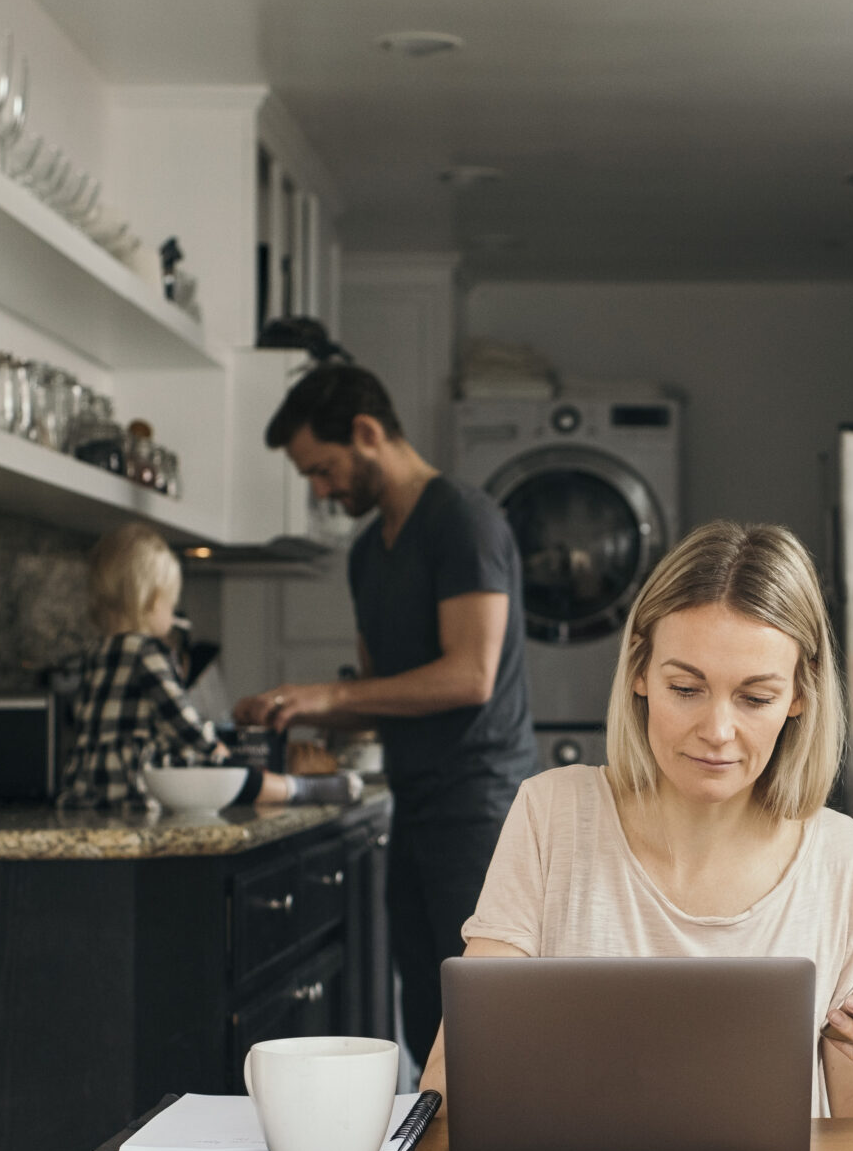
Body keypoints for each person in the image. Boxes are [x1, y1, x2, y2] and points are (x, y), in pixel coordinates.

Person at [420, 520, 853, 1122]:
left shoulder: (849, 864)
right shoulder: (550, 815)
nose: (716, 732)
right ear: (639, 671)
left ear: (800, 695)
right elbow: (453, 1085)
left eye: (756, 698)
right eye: (686, 688)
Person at [237, 365, 537, 1064]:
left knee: (483, 1019)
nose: (319, 489)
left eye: (323, 468)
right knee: (427, 1011)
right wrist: (292, 707)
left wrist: (328, 696)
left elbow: (469, 676)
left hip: (479, 808)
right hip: (416, 802)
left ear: (367, 433)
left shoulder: (462, 520)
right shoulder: (369, 552)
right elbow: (383, 694)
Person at [59, 524, 295, 810]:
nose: (173, 615)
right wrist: (215, 748)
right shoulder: (149, 652)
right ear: (153, 601)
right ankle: (292, 788)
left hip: (86, 791)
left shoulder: (95, 652)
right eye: (171, 606)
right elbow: (181, 720)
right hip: (135, 791)